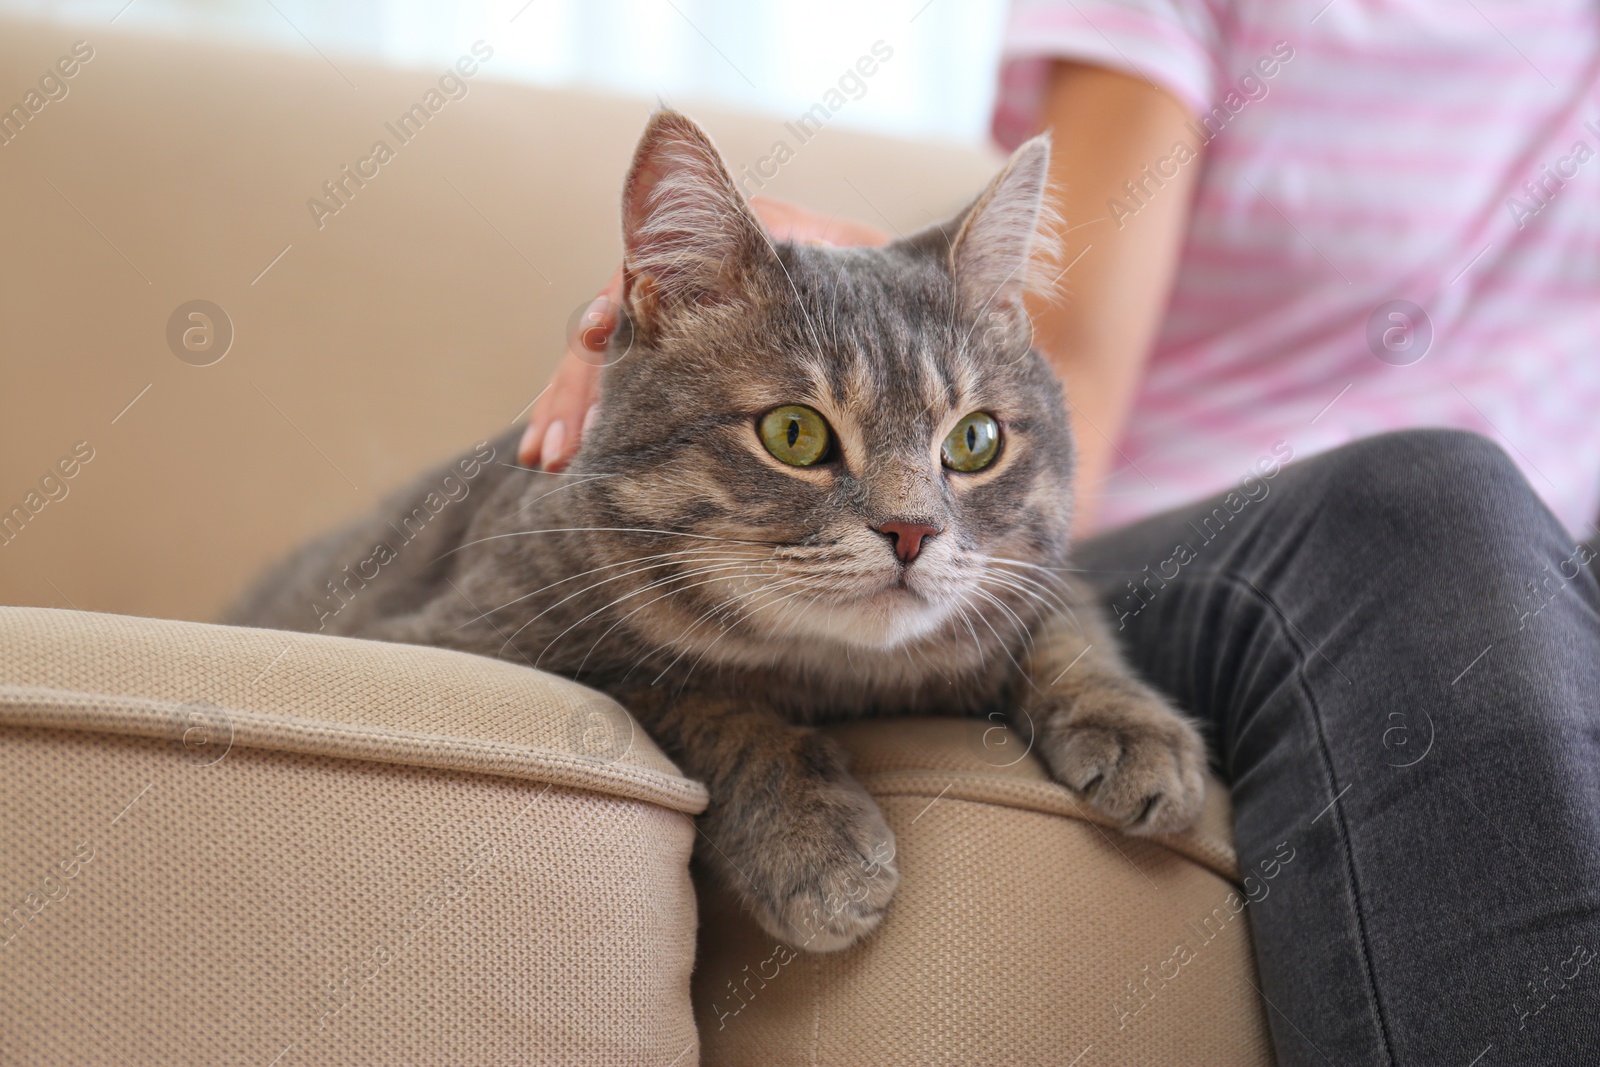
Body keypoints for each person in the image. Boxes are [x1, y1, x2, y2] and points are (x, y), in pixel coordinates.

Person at [520, 3, 1600, 1062]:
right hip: (1246, 551)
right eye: (800, 432)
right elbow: (1062, 370)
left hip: (1566, 574)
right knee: (1429, 498)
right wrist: (812, 306)